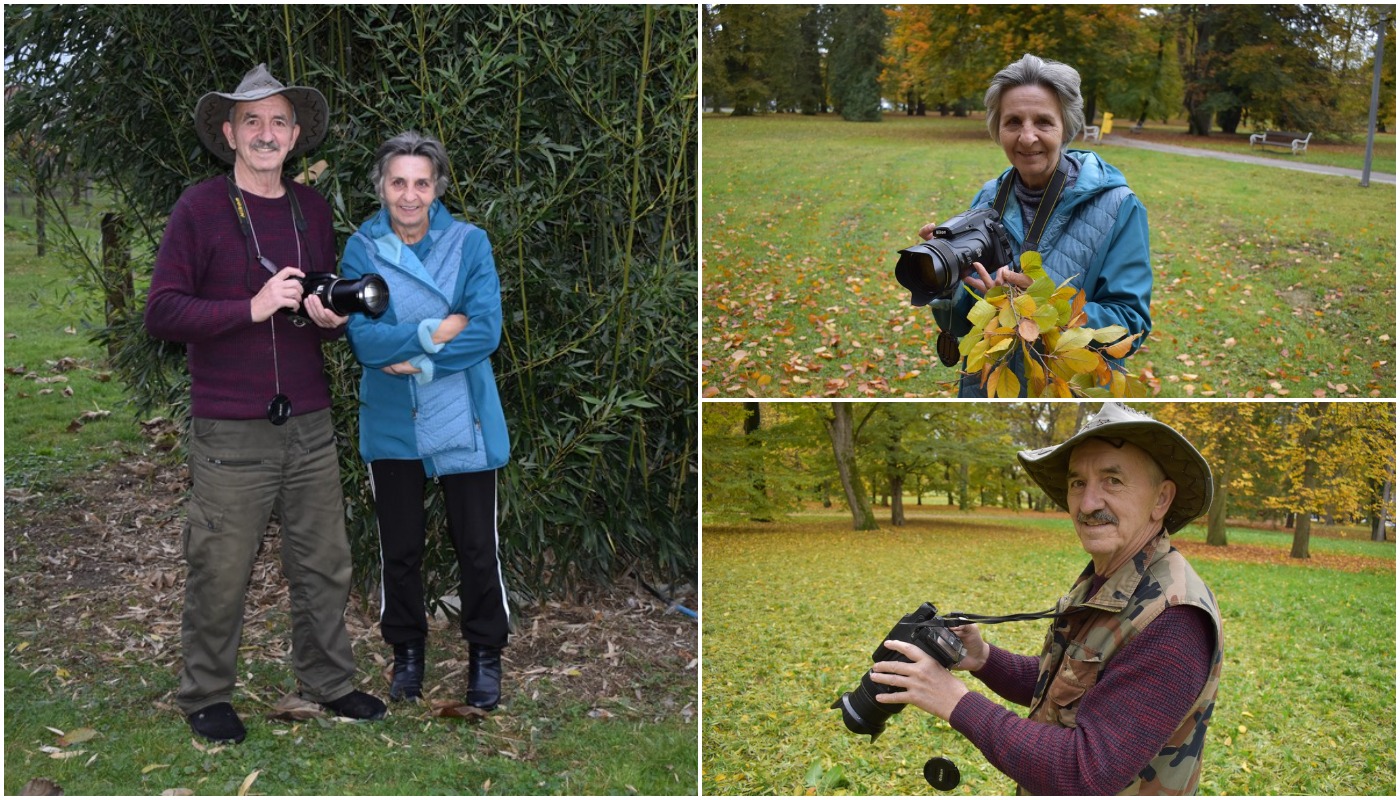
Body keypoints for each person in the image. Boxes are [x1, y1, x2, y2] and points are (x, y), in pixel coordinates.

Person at [145, 63, 386, 744]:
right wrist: (249, 308)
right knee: (220, 565)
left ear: (297, 133)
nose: (266, 132)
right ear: (228, 133)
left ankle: (329, 680)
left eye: (279, 120)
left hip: (307, 418)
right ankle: (206, 693)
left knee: (324, 561)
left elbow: (312, 300)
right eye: (251, 120)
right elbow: (161, 312)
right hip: (231, 426)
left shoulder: (312, 209)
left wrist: (326, 316)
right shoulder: (199, 207)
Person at [871, 403, 1223, 794]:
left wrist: (953, 700)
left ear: (1161, 500)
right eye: (1077, 483)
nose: (1087, 504)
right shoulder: (1114, 578)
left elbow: (1084, 771)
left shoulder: (1174, 619)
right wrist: (983, 658)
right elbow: (1066, 689)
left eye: (1112, 481)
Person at [339, 131, 512, 710]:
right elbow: (364, 341)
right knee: (401, 548)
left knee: (475, 546)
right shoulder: (362, 248)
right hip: (392, 420)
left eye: (420, 182)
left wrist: (414, 362)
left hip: (464, 412)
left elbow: (485, 330)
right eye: (397, 182)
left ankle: (485, 656)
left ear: (437, 187)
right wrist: (434, 331)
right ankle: (407, 654)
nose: (409, 196)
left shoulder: (470, 243)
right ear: (381, 187)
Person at [922, 54, 1153, 397]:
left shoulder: (1118, 206)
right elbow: (964, 325)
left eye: (1043, 122)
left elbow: (1130, 324)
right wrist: (943, 283)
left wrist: (1045, 306)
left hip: (1068, 393)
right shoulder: (988, 198)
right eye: (1013, 122)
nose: (1027, 138)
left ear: (1066, 127)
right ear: (997, 128)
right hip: (989, 390)